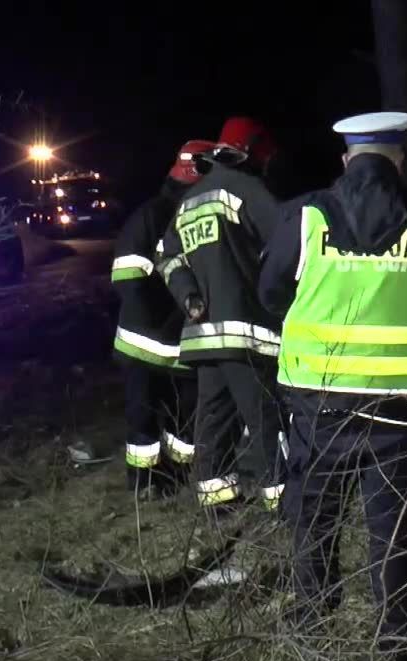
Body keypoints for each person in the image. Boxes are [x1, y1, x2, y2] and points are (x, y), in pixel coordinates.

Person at [257, 111, 407, 661]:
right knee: (396, 527)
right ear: (398, 161)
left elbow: (271, 292)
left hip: (317, 401)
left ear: (348, 160)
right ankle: (403, 649)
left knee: (314, 518)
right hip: (402, 407)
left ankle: (312, 636)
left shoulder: (305, 217)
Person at [156, 116, 287, 510]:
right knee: (264, 417)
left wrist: (188, 296)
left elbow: (166, 256)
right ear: (253, 150)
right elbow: (286, 241)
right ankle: (283, 502)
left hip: (203, 335)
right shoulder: (247, 189)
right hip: (246, 333)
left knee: (214, 418)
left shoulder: (189, 200)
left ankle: (215, 499)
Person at [111, 139, 214, 499]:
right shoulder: (152, 215)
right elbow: (126, 277)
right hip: (148, 342)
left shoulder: (184, 213)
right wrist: (168, 311)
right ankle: (143, 484)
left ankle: (173, 479)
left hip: (182, 342)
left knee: (182, 420)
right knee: (144, 419)